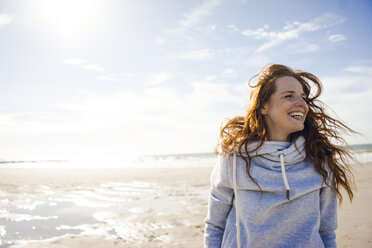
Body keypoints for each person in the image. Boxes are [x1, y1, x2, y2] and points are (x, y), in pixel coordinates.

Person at [204, 64, 355, 248]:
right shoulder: (234, 160)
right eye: (289, 96)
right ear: (263, 107)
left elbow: (326, 231)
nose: (301, 103)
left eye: (303, 97)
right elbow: (215, 226)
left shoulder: (320, 161)